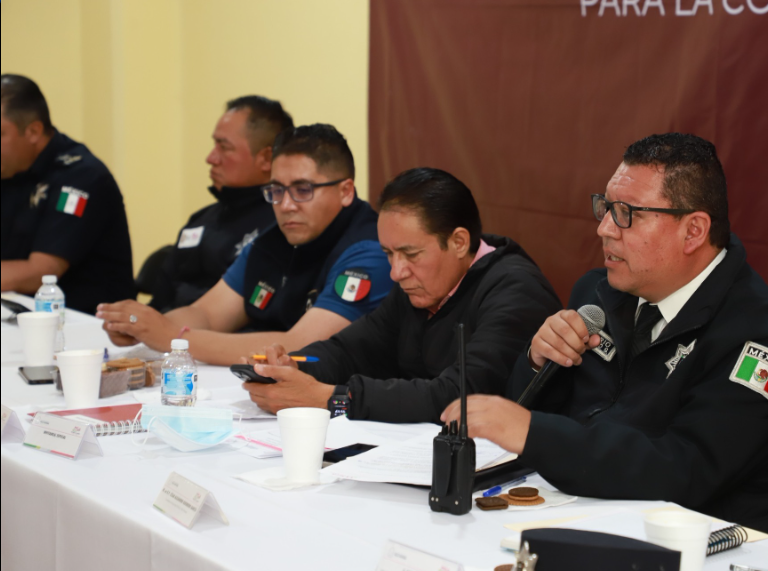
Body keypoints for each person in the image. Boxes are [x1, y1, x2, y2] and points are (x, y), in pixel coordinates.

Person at [441, 133, 768, 534]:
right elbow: (535, 412)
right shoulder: (599, 294)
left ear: (693, 231)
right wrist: (536, 362)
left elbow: (684, 471)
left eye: (626, 213)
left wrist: (535, 435)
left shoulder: (760, 340)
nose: (604, 228)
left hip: (694, 544)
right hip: (582, 512)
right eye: (605, 208)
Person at [243, 167, 563, 423]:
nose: (396, 272)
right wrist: (294, 367)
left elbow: (459, 397)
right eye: (389, 253)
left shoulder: (517, 292)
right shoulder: (415, 286)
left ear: (459, 242)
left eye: (410, 254)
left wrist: (331, 399)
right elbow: (351, 350)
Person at [97, 124, 392, 366]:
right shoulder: (273, 240)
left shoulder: (371, 250)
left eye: (303, 190)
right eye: (277, 190)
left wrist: (172, 337)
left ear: (346, 191)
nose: (286, 205)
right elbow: (207, 315)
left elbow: (299, 346)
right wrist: (142, 327)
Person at [1, 74, 135, 313]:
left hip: (88, 324)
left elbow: (41, 272)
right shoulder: (10, 168)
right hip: (21, 312)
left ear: (33, 131)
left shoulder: (81, 177)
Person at [148, 95, 293, 311]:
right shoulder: (200, 220)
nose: (211, 158)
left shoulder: (282, 224)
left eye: (224, 147)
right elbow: (157, 304)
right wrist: (131, 321)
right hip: (170, 328)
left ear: (266, 158)